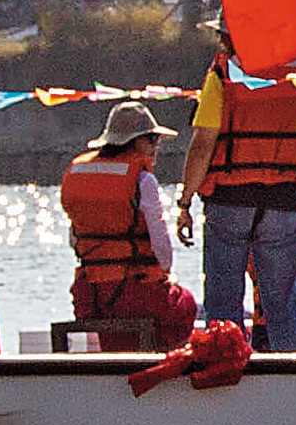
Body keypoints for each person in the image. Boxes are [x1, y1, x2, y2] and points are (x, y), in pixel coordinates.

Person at [182, 34, 296, 351]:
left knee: (224, 297)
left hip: (229, 201)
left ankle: (224, 363)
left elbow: (202, 146)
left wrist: (184, 203)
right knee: (286, 301)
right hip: (285, 203)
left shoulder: (222, 75)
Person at [56, 102, 198, 345]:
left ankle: (119, 361)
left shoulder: (78, 173)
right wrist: (164, 274)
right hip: (135, 292)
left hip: (90, 296)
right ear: (134, 141)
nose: (156, 146)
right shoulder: (143, 180)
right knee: (185, 304)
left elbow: (74, 240)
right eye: (152, 139)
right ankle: (158, 365)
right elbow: (162, 250)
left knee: (119, 329)